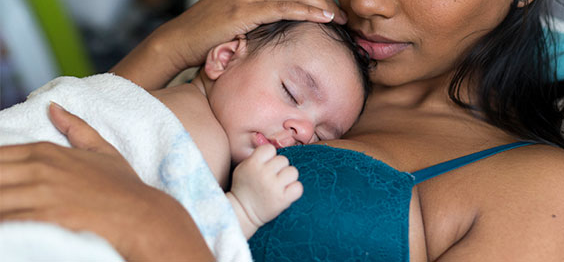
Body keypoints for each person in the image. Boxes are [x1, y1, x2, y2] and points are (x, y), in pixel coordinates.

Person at [0, 0, 564, 261]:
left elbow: (120, 193)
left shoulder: (539, 189)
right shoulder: (295, 52)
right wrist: (176, 41)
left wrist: (157, 234)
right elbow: (90, 136)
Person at [0, 20, 370, 259]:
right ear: (224, 59)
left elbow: (169, 228)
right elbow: (198, 235)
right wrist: (245, 210)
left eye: (321, 136)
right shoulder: (198, 133)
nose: (303, 132)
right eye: (291, 92)